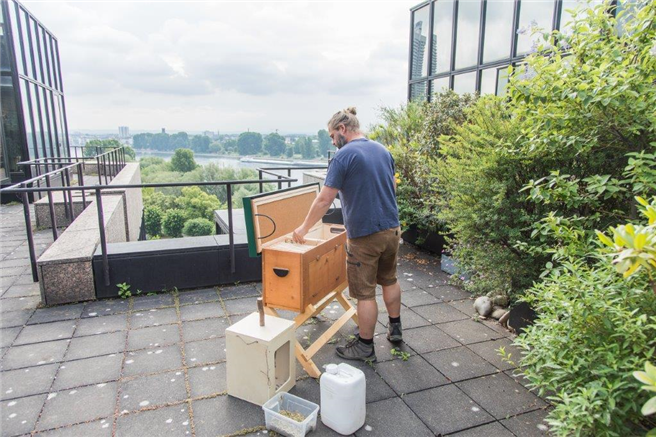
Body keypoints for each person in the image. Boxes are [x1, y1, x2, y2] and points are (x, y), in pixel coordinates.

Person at [292, 107, 401, 362]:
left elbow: (324, 200)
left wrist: (303, 228)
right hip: (392, 229)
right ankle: (395, 329)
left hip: (365, 236)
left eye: (332, 136)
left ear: (342, 129)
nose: (332, 142)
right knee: (390, 280)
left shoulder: (343, 157)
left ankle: (365, 346)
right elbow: (392, 185)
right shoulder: (382, 150)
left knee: (364, 294)